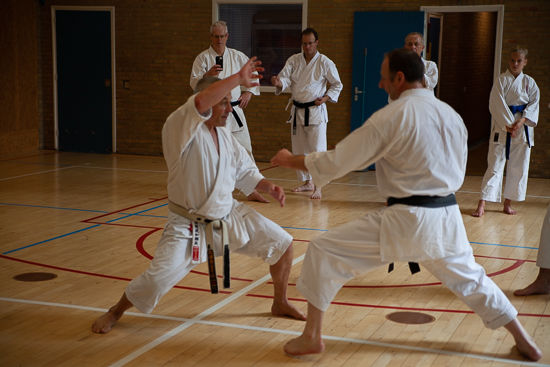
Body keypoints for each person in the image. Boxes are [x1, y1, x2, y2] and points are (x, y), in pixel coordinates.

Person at [271, 48, 542, 361]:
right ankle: (524, 340)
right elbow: (455, 167)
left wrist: (293, 160)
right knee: (474, 281)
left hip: (406, 219)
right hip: (446, 219)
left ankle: (312, 336)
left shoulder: (392, 116)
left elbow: (341, 159)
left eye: (384, 78)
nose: (380, 84)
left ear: (399, 78)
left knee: (322, 251)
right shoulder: (450, 115)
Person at [92, 59, 306, 335]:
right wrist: (237, 76)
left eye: (230, 102)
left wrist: (268, 186)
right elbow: (201, 101)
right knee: (157, 280)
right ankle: (115, 311)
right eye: (224, 102)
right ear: (206, 102)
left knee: (283, 245)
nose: (229, 108)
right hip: (188, 224)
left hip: (227, 214)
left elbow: (244, 171)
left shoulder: (225, 136)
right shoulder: (181, 128)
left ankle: (280, 302)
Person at [191, 20, 268, 203]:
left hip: (234, 111)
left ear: (227, 37)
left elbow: (253, 74)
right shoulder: (202, 59)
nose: (219, 40)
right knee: (212, 154)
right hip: (212, 114)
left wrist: (249, 91)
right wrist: (206, 76)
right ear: (210, 37)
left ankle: (252, 190)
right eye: (216, 36)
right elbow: (194, 84)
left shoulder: (238, 56)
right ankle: (212, 190)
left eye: (222, 36)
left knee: (245, 150)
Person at [270, 28, 343, 200]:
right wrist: (279, 82)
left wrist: (326, 98)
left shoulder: (325, 62)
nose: (307, 46)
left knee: (317, 150)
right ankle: (308, 182)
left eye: (310, 43)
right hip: (298, 111)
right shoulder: (294, 60)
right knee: (300, 150)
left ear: (316, 42)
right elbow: (286, 79)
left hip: (315, 111)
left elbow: (337, 85)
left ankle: (319, 186)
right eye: (304, 43)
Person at [473, 46, 539, 217]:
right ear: (509, 61)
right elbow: (495, 103)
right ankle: (482, 203)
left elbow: (534, 105)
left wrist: (522, 121)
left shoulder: (530, 83)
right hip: (502, 128)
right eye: (512, 60)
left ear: (525, 62)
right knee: (494, 167)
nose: (515, 63)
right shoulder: (501, 80)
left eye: (519, 61)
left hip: (522, 129)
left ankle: (507, 203)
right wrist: (509, 124)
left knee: (518, 168)